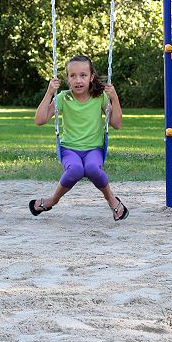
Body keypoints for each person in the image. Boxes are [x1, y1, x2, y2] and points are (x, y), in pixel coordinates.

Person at [29, 55, 128, 221]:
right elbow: (40, 120)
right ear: (67, 78)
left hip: (93, 149)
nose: (78, 80)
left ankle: (112, 200)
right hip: (69, 149)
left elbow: (117, 124)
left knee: (92, 168)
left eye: (83, 75)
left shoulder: (100, 98)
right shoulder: (63, 98)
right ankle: (52, 200)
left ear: (91, 77)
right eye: (73, 76)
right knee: (75, 169)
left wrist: (114, 98)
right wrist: (49, 92)